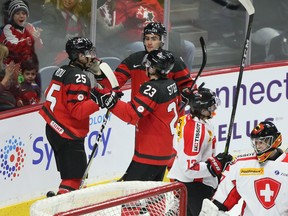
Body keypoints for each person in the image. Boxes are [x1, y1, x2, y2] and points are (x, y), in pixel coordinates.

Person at [93, 49, 181, 181]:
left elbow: (130, 114)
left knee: (130, 197)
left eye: (148, 64)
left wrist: (108, 100)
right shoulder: (172, 85)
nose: (146, 66)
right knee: (151, 198)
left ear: (152, 68)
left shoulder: (152, 88)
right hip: (164, 152)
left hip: (150, 154)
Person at [39, 36, 102, 195]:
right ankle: (60, 206)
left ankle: (69, 202)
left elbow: (49, 94)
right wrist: (98, 100)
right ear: (79, 56)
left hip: (54, 128)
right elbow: (78, 111)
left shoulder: (61, 70)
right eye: (88, 53)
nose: (91, 57)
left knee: (75, 175)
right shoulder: (79, 77)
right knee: (74, 178)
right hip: (67, 133)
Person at [167, 85, 233, 216]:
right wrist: (214, 166)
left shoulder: (187, 119)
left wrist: (215, 162)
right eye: (211, 107)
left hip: (187, 184)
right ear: (201, 110)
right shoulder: (196, 132)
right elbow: (190, 168)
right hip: (194, 187)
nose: (214, 110)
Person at [199, 121, 288, 216]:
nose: (258, 147)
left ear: (276, 140)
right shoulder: (241, 165)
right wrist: (213, 210)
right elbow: (220, 203)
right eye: (256, 143)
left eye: (262, 142)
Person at [96, 0, 196, 71]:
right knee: (141, 48)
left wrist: (161, 35)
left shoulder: (152, 2)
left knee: (189, 47)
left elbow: (165, 21)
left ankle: (185, 81)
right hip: (134, 41)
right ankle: (150, 80)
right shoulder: (121, 4)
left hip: (157, 38)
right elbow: (121, 31)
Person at [40, 0, 89, 67]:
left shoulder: (80, 11)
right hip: (55, 52)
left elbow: (86, 34)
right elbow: (47, 41)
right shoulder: (51, 11)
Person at [0, 0, 43, 65]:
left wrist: (37, 39)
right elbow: (14, 48)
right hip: (12, 66)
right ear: (12, 16)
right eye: (17, 14)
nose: (21, 16)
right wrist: (31, 38)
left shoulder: (29, 26)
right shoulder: (7, 29)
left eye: (23, 13)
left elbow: (39, 49)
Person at [0, 44, 21, 111]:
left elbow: (16, 93)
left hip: (12, 108)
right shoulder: (5, 76)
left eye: (5, 59)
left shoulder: (3, 73)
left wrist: (15, 80)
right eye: (3, 59)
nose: (5, 62)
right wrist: (6, 77)